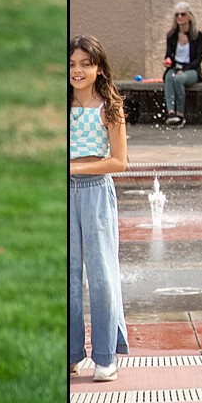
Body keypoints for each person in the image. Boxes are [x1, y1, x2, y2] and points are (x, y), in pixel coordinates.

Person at [71, 36, 129, 382]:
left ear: (98, 68)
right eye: (72, 63)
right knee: (68, 277)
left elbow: (119, 161)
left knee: (103, 275)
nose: (77, 70)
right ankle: (71, 353)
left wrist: (75, 168)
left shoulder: (110, 106)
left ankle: (105, 356)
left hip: (95, 194)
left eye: (85, 64)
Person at [162, 2, 202, 127]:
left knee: (179, 79)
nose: (180, 17)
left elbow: (198, 58)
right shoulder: (172, 36)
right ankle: (171, 113)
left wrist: (185, 69)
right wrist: (167, 61)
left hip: (191, 69)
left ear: (189, 17)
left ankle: (180, 114)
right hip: (176, 67)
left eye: (183, 14)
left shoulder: (197, 35)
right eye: (177, 15)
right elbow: (168, 54)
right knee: (169, 77)